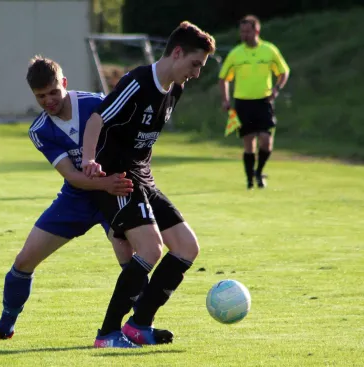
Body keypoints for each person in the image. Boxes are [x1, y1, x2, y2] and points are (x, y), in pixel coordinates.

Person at [0, 56, 142, 341]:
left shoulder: (95, 102)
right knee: (24, 261)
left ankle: (140, 326)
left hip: (115, 193)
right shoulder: (40, 130)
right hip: (77, 198)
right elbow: (71, 175)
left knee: (129, 258)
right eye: (40, 96)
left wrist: (115, 182)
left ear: (64, 84)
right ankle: (5, 326)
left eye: (53, 92)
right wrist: (105, 184)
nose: (48, 100)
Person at [82, 21, 216, 348]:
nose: (196, 73)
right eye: (195, 64)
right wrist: (89, 160)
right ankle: (107, 333)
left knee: (186, 247)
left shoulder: (176, 89)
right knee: (151, 249)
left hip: (143, 178)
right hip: (116, 179)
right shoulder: (138, 81)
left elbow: (144, 139)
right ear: (177, 52)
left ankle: (140, 324)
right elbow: (97, 119)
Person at [218, 15, 290, 189]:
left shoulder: (269, 50)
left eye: (247, 31)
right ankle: (250, 178)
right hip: (243, 102)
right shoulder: (236, 53)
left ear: (256, 31)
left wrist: (276, 89)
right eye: (242, 31)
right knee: (249, 141)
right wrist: (225, 99)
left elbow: (283, 71)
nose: (244, 35)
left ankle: (259, 171)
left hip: (263, 101)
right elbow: (223, 78)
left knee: (266, 140)